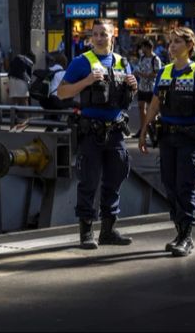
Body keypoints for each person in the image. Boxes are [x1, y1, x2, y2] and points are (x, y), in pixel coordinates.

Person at [57, 19, 138, 250]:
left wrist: (132, 85)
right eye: (95, 34)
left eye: (104, 34)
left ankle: (109, 231)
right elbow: (62, 92)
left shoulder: (123, 63)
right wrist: (87, 81)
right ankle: (86, 233)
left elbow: (125, 100)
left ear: (113, 36)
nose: (99, 38)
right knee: (88, 182)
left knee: (114, 181)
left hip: (115, 133)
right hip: (91, 132)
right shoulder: (81, 62)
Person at [138, 26, 195, 257]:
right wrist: (143, 132)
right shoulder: (164, 72)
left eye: (177, 42)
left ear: (190, 46)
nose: (171, 47)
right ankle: (179, 231)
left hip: (190, 138)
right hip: (167, 138)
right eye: (170, 42)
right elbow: (154, 105)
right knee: (170, 186)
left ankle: (186, 236)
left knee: (185, 186)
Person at [134, 39, 162, 135]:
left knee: (152, 111)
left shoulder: (155, 59)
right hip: (142, 87)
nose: (142, 49)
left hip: (151, 88)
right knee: (141, 107)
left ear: (148, 47)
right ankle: (143, 129)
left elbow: (157, 74)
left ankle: (153, 130)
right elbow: (139, 67)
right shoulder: (142, 57)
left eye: (143, 47)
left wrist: (143, 74)